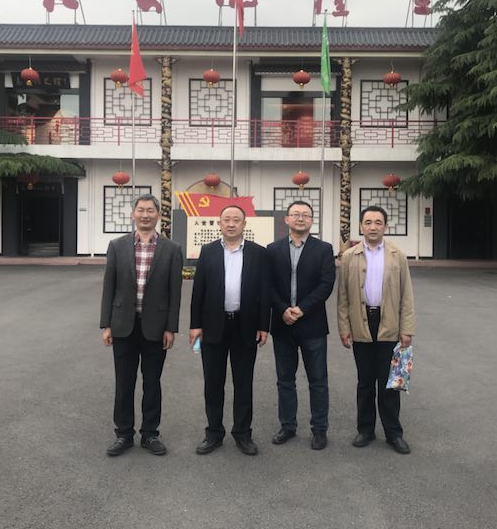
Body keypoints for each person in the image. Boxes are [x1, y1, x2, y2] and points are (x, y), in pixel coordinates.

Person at [100, 193, 183, 457]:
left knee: (152, 383)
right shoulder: (117, 246)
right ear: (133, 214)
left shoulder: (172, 249)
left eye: (150, 210)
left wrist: (171, 328)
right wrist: (106, 324)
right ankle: (123, 434)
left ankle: (150, 434)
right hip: (123, 325)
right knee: (124, 383)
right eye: (141, 210)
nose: (145, 215)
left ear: (158, 215)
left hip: (156, 328)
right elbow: (109, 287)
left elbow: (175, 292)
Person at [189, 205, 271, 456]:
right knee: (213, 383)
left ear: (244, 224)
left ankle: (243, 433)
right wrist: (195, 325)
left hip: (245, 326)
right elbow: (198, 291)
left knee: (243, 383)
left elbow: (264, 291)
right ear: (220, 223)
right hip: (213, 326)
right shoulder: (208, 251)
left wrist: (263, 325)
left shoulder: (258, 253)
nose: (232, 224)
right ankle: (213, 433)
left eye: (237, 220)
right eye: (227, 219)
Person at [337, 205, 416, 454]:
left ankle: (394, 433)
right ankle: (365, 430)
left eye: (378, 222)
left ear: (385, 227)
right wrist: (344, 328)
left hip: (389, 323)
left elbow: (407, 296)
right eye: (368, 222)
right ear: (361, 226)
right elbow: (343, 298)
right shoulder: (349, 256)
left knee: (389, 383)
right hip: (361, 322)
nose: (373, 227)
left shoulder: (397, 255)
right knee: (365, 381)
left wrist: (407, 329)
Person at [267, 201, 336, 450]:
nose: (300, 218)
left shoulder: (324, 249)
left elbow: (326, 284)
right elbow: (268, 284)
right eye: (295, 214)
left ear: (311, 220)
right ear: (286, 219)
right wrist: (282, 309)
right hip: (282, 323)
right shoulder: (272, 249)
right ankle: (287, 426)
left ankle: (319, 429)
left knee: (318, 380)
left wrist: (302, 308)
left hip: (312, 324)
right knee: (285, 379)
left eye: (305, 215)